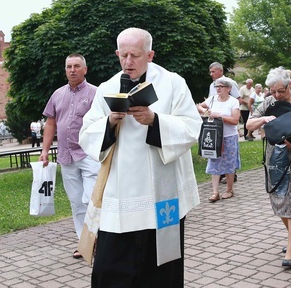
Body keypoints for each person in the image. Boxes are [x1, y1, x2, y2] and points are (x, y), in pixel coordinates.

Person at [79, 28, 202, 286]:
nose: (128, 62)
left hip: (161, 194)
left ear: (150, 54)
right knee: (110, 266)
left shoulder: (172, 83)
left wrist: (155, 121)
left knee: (160, 269)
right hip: (120, 194)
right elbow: (87, 133)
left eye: (135, 55)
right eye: (123, 55)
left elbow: (192, 126)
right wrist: (109, 123)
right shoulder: (107, 88)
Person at [246, 67, 291, 270]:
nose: (276, 95)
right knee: (279, 202)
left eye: (281, 91)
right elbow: (249, 124)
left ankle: (290, 249)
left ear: (290, 85)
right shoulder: (268, 102)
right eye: (272, 91)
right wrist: (264, 119)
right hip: (276, 162)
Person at [38, 53, 99, 259]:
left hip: (89, 154)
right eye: (68, 66)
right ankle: (85, 243)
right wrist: (45, 151)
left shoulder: (95, 94)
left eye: (76, 66)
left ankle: (99, 238)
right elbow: (51, 124)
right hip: (66, 156)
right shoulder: (57, 95)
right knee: (75, 202)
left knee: (90, 199)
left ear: (85, 69)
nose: (72, 70)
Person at [196, 76, 240, 202]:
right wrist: (206, 111)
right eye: (216, 86)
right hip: (214, 136)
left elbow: (235, 120)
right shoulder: (213, 99)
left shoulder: (233, 102)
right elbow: (199, 106)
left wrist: (219, 116)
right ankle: (215, 192)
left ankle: (229, 190)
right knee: (214, 162)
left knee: (229, 163)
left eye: (221, 86)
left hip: (229, 137)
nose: (218, 88)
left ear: (229, 88)